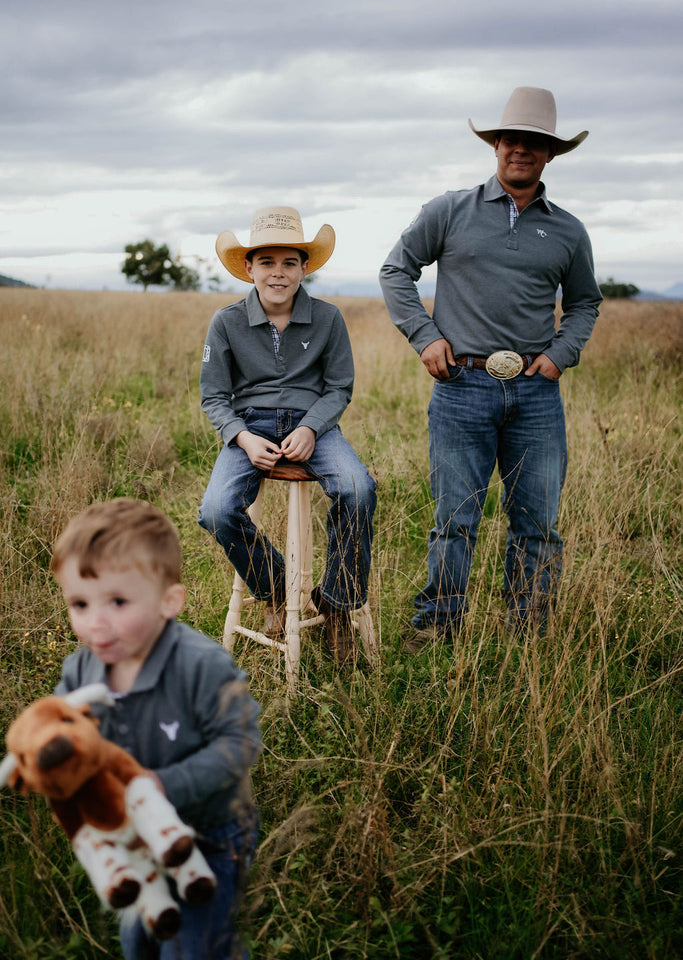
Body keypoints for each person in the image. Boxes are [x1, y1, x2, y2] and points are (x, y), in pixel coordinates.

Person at [379, 87, 602, 651]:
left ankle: (528, 634)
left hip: (535, 392)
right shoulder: (448, 210)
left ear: (551, 153)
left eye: (534, 142)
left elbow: (584, 304)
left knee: (538, 523)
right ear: (495, 145)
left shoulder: (569, 231)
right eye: (510, 138)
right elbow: (395, 270)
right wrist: (425, 337)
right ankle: (437, 626)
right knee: (455, 518)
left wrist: (558, 357)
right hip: (461, 387)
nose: (519, 149)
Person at [52, 498, 262, 959]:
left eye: (118, 602)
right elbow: (61, 730)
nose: (96, 622)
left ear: (169, 600)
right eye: (80, 603)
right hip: (133, 839)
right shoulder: (81, 670)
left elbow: (240, 739)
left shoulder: (200, 665)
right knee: (141, 936)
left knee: (195, 945)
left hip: (207, 833)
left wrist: (162, 786)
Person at [198, 206, 376, 663]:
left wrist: (312, 428)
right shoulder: (227, 322)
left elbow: (339, 387)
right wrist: (242, 437)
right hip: (251, 426)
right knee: (216, 510)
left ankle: (335, 605)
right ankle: (276, 587)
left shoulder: (328, 318)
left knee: (358, 489)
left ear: (304, 267)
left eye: (290, 262)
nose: (278, 273)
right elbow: (214, 397)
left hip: (312, 423)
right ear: (248, 268)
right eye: (267, 262)